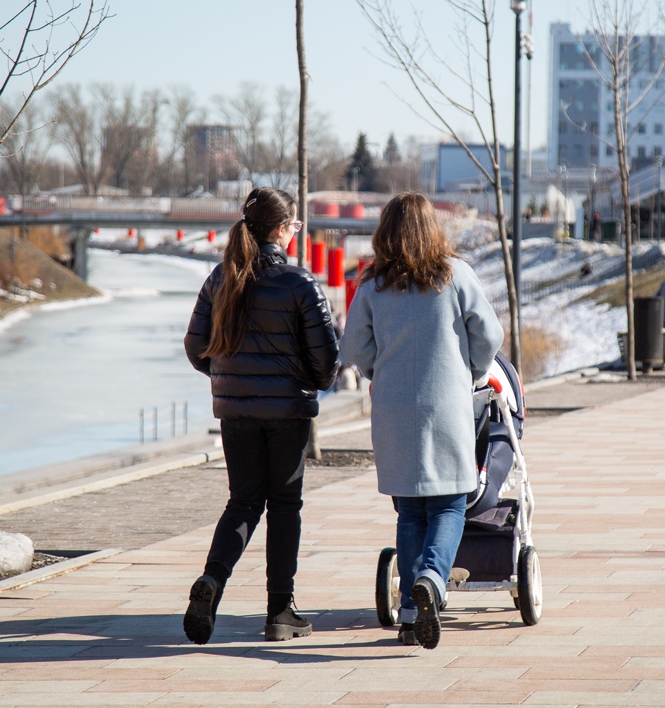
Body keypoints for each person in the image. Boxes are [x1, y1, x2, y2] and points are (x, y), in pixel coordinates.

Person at [341, 192, 503, 649]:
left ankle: (411, 613)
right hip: (446, 404)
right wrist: (470, 368)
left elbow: (352, 347)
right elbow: (489, 333)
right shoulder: (454, 276)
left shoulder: (372, 284)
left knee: (409, 509)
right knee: (450, 503)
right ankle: (432, 579)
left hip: (393, 407)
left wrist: (380, 370)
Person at [181, 187, 340, 645]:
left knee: (244, 501)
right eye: (294, 226)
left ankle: (213, 579)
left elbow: (196, 347)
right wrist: (298, 380)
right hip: (288, 412)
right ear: (281, 230)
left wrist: (231, 376)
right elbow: (327, 364)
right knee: (285, 506)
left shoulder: (220, 278)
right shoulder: (298, 283)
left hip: (235, 411)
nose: (294, 233)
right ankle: (279, 611)